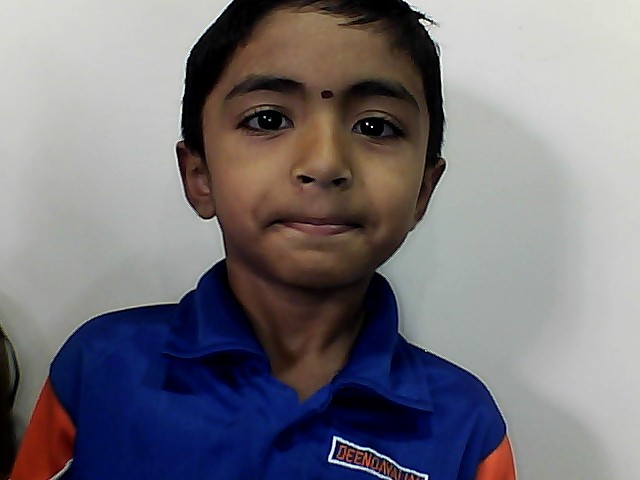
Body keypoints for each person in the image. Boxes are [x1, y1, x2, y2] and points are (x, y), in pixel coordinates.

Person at [11, 0, 516, 478]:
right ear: (200, 177)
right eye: (268, 119)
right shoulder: (101, 369)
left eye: (375, 127)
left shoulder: (466, 429)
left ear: (423, 189)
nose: (324, 163)